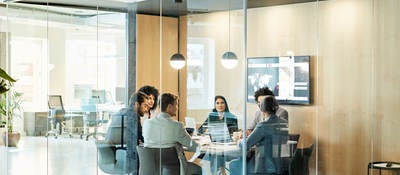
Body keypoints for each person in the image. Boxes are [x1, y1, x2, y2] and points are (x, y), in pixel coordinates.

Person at [143, 93, 202, 175]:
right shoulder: (177, 126)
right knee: (198, 169)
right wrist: (201, 145)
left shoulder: (146, 124)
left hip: (153, 168)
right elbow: (192, 146)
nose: (177, 108)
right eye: (176, 105)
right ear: (169, 107)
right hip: (174, 168)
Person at [229, 96, 288, 175]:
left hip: (264, 167)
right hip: (280, 166)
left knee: (234, 164)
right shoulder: (283, 123)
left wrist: (238, 141)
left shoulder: (263, 126)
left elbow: (246, 145)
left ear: (262, 109)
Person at [105, 91, 149, 174]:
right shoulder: (133, 115)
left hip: (112, 155)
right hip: (129, 157)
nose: (146, 109)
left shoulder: (119, 113)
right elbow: (141, 137)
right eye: (145, 106)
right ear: (136, 104)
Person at [197, 95, 238, 175]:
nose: (220, 105)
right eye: (217, 103)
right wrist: (207, 131)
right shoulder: (212, 116)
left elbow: (234, 133)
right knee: (215, 153)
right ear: (215, 105)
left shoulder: (231, 117)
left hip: (227, 145)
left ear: (225, 104)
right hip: (215, 143)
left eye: (222, 103)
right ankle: (221, 172)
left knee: (215, 154)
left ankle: (216, 173)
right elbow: (201, 129)